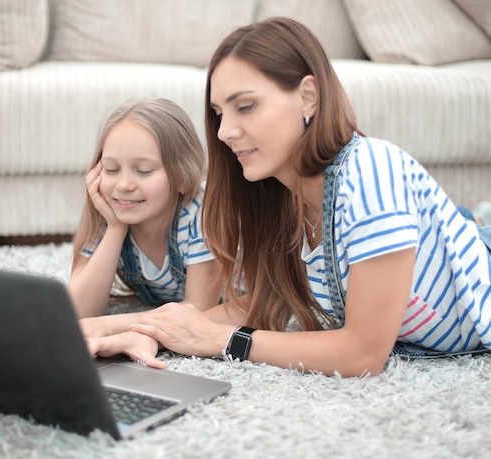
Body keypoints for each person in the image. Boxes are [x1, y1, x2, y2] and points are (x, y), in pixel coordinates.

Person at [87, 17, 491, 377]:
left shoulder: (370, 168)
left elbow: (363, 353)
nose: (224, 131)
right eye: (219, 113)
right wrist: (120, 330)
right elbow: (256, 304)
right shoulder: (282, 199)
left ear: (308, 97)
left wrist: (228, 341)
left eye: (245, 106)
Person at [68, 98, 221, 350]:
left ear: (182, 178)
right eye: (111, 169)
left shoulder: (201, 214)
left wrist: (110, 325)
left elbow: (199, 309)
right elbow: (79, 311)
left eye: (144, 170)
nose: (124, 185)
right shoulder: (108, 214)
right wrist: (116, 228)